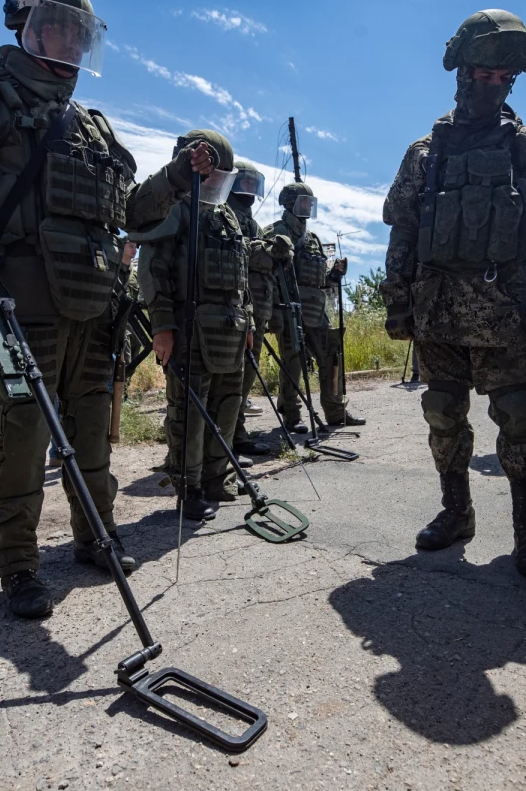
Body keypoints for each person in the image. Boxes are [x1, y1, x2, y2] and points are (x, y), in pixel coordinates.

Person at [0, 0, 216, 618]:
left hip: (95, 301)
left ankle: (96, 536)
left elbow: (128, 212)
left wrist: (175, 179)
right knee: (22, 433)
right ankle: (17, 564)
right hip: (18, 300)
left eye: (81, 35)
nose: (71, 45)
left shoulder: (92, 125)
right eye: (59, 29)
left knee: (92, 428)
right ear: (27, 27)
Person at [380, 9, 526, 578]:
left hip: (510, 312)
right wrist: (397, 302)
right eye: (484, 74)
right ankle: (456, 512)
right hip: (437, 310)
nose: (494, 85)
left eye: (504, 78)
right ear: (462, 73)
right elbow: (403, 230)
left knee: (521, 424)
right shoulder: (425, 152)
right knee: (442, 414)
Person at [136, 130, 252, 516]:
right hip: (191, 331)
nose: (216, 182)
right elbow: (153, 269)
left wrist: (249, 323)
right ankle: (190, 487)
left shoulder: (228, 217)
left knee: (227, 406)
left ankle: (219, 479)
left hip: (230, 332)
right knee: (189, 412)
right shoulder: (175, 207)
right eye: (212, 173)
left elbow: (242, 278)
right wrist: (162, 327)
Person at [265, 183, 365, 432]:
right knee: (293, 361)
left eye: (311, 203)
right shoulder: (275, 232)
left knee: (332, 356)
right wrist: (274, 310)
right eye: (304, 202)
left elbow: (322, 282)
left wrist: (335, 275)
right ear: (290, 202)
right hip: (289, 308)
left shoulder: (313, 239)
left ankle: (336, 412)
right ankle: (292, 415)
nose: (309, 207)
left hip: (316, 310)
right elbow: (265, 273)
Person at [229, 160, 275, 457]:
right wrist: (263, 250)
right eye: (245, 183)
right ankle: (231, 435)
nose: (250, 190)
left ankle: (237, 431)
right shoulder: (226, 213)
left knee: (247, 372)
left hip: (255, 308)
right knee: (234, 373)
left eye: (253, 184)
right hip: (235, 306)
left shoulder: (251, 221)